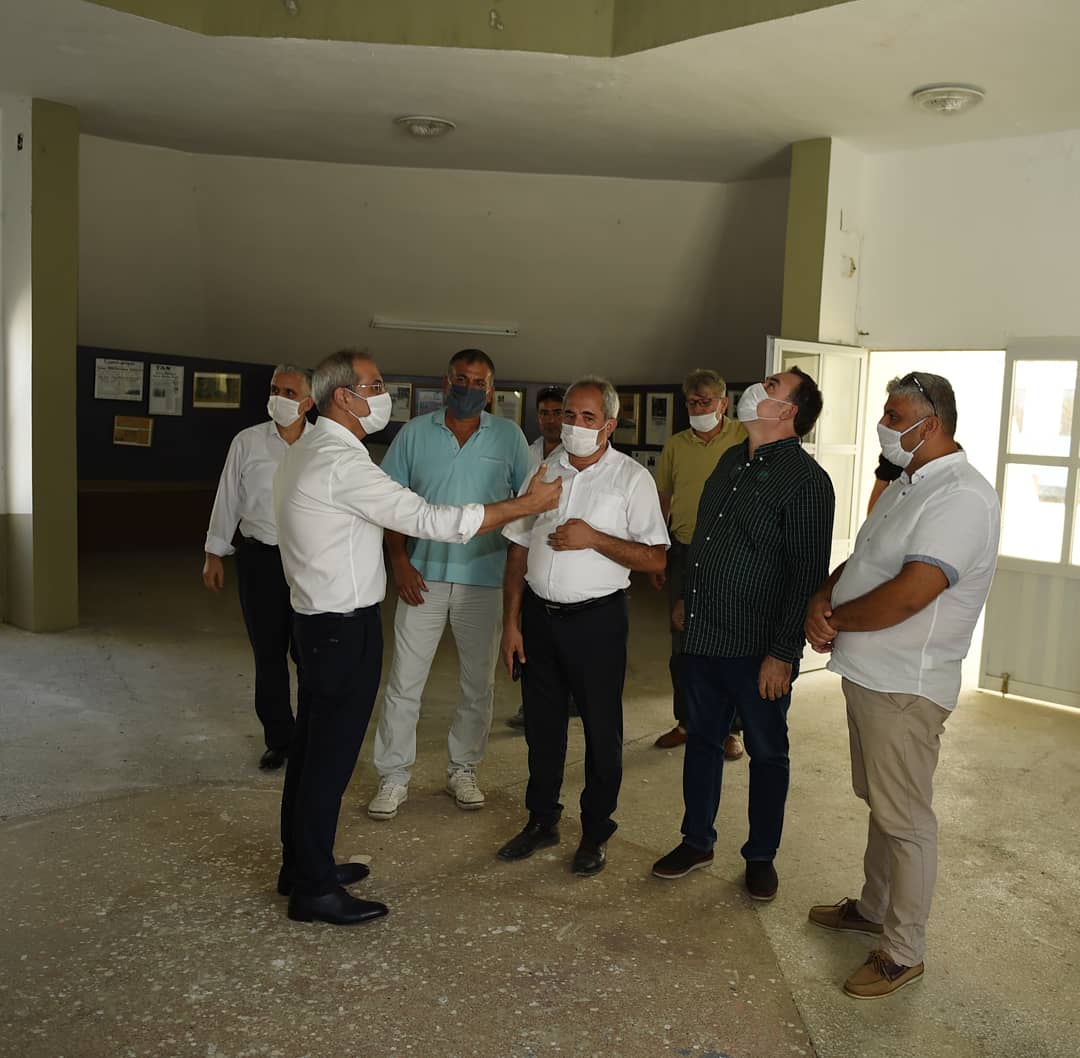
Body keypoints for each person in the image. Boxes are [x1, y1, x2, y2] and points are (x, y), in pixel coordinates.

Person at [273, 349, 561, 926]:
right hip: (339, 627)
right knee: (328, 759)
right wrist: (528, 504)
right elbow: (429, 520)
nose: (385, 395)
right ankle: (313, 891)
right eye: (375, 385)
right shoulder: (341, 462)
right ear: (344, 397)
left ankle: (302, 864)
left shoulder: (310, 447)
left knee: (309, 751)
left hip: (317, 620)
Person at [804, 372, 999, 1000]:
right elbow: (866, 560)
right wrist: (824, 596)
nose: (883, 425)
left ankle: (902, 951)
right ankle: (873, 907)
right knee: (882, 804)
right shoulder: (908, 484)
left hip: (905, 685)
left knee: (906, 818)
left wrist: (837, 620)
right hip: (870, 674)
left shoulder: (961, 497)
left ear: (930, 424)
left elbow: (913, 592)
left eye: (893, 415)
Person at [652, 368, 834, 902]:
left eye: (772, 386)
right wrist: (688, 598)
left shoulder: (807, 481)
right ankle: (696, 841)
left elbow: (805, 575)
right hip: (705, 635)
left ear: (788, 412)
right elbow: (706, 540)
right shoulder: (732, 459)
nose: (759, 387)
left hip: (759, 648)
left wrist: (782, 654)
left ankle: (760, 856)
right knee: (702, 741)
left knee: (767, 752)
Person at [496, 376, 669, 876]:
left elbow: (656, 559)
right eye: (569, 414)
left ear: (609, 425)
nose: (574, 424)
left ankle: (595, 831)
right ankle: (541, 820)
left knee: (600, 730)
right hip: (539, 618)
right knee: (542, 728)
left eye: (587, 417)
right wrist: (511, 623)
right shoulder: (544, 470)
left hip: (597, 621)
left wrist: (595, 539)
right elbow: (518, 549)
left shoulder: (630, 479)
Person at [368, 350, 532, 819]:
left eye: (479, 382)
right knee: (405, 681)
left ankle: (463, 768)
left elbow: (525, 509)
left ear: (491, 390)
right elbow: (390, 504)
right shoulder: (415, 434)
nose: (468, 388)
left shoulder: (510, 437)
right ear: (446, 382)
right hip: (422, 578)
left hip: (484, 581)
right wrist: (400, 562)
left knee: (477, 684)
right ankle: (393, 775)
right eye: (461, 379)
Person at [202, 365, 314, 770]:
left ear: (308, 402)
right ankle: (280, 739)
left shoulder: (323, 445)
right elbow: (228, 497)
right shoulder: (247, 442)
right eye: (274, 389)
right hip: (260, 560)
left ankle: (311, 737)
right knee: (268, 654)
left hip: (310, 562)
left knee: (310, 653)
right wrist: (214, 553)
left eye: (289, 392)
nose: (279, 398)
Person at [651, 369, 748, 755]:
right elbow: (663, 499)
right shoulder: (676, 444)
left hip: (732, 552)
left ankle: (730, 729)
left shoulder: (744, 437)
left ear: (724, 403)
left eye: (705, 401)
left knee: (729, 639)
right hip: (685, 550)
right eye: (691, 402)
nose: (698, 408)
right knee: (683, 642)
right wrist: (658, 552)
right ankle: (687, 721)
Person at [507, 385, 566, 731]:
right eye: (545, 413)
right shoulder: (527, 453)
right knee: (531, 639)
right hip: (528, 553)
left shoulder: (578, 454)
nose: (551, 420)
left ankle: (569, 699)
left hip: (563, 555)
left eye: (558, 413)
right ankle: (531, 706)